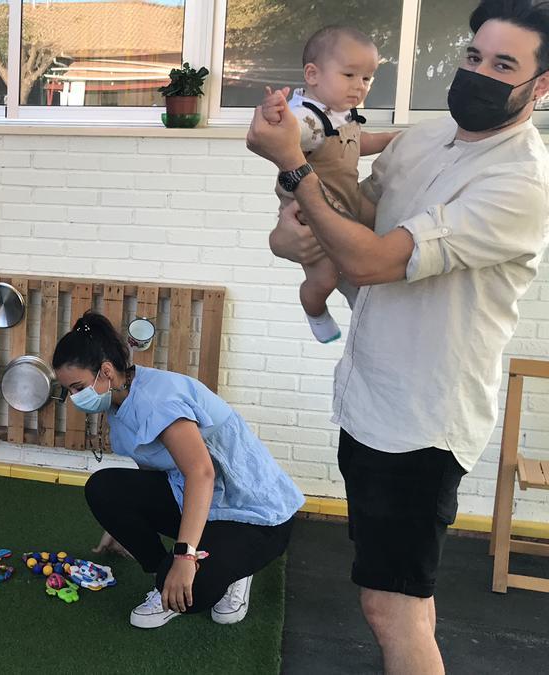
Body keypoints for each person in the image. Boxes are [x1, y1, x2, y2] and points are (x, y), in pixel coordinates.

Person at [248, 1, 549, 671]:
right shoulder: (426, 138)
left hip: (422, 423)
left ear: (541, 85)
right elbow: (345, 218)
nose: (479, 72)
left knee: (392, 606)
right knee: (399, 595)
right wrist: (290, 231)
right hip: (368, 400)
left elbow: (370, 259)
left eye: (504, 65)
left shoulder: (519, 182)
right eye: (474, 56)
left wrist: (293, 165)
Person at [52, 312, 304, 629]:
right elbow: (152, 469)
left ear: (105, 372)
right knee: (104, 489)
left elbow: (202, 473)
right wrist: (122, 522)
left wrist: (185, 558)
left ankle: (233, 570)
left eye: (77, 388)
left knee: (194, 595)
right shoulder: (118, 397)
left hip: (254, 514)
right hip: (206, 505)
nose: (74, 399)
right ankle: (165, 577)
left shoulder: (159, 400)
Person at [265, 26, 398, 343]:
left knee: (383, 223)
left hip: (345, 200)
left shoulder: (341, 113)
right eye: (349, 75)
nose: (359, 87)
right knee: (323, 278)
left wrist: (392, 139)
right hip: (310, 214)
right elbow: (288, 136)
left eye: (366, 78)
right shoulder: (306, 117)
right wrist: (273, 118)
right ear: (313, 74)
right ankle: (313, 308)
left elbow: (354, 143)